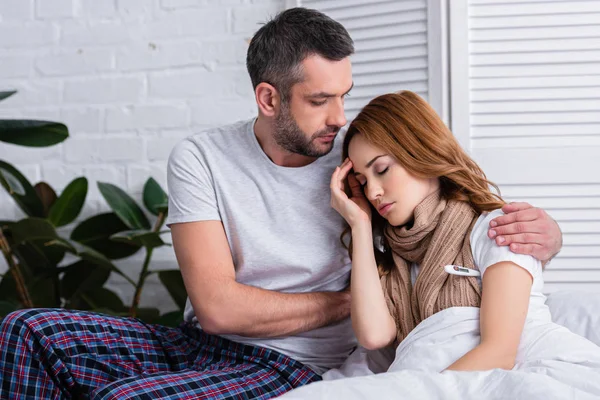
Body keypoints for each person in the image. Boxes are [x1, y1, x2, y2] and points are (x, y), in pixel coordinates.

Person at [0, 8, 563, 400]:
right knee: (23, 331)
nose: (339, 117)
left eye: (344, 94)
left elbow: (449, 195)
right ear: (268, 98)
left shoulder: (359, 157)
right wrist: (353, 298)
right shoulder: (201, 156)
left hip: (292, 362)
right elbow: (218, 308)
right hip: (199, 339)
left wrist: (547, 233)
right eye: (319, 101)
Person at [320, 90, 600, 385]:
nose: (373, 192)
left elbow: (500, 351)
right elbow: (375, 336)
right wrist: (360, 225)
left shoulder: (494, 228)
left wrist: (418, 394)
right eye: (363, 182)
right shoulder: (391, 259)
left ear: (421, 152)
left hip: (515, 375)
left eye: (382, 170)